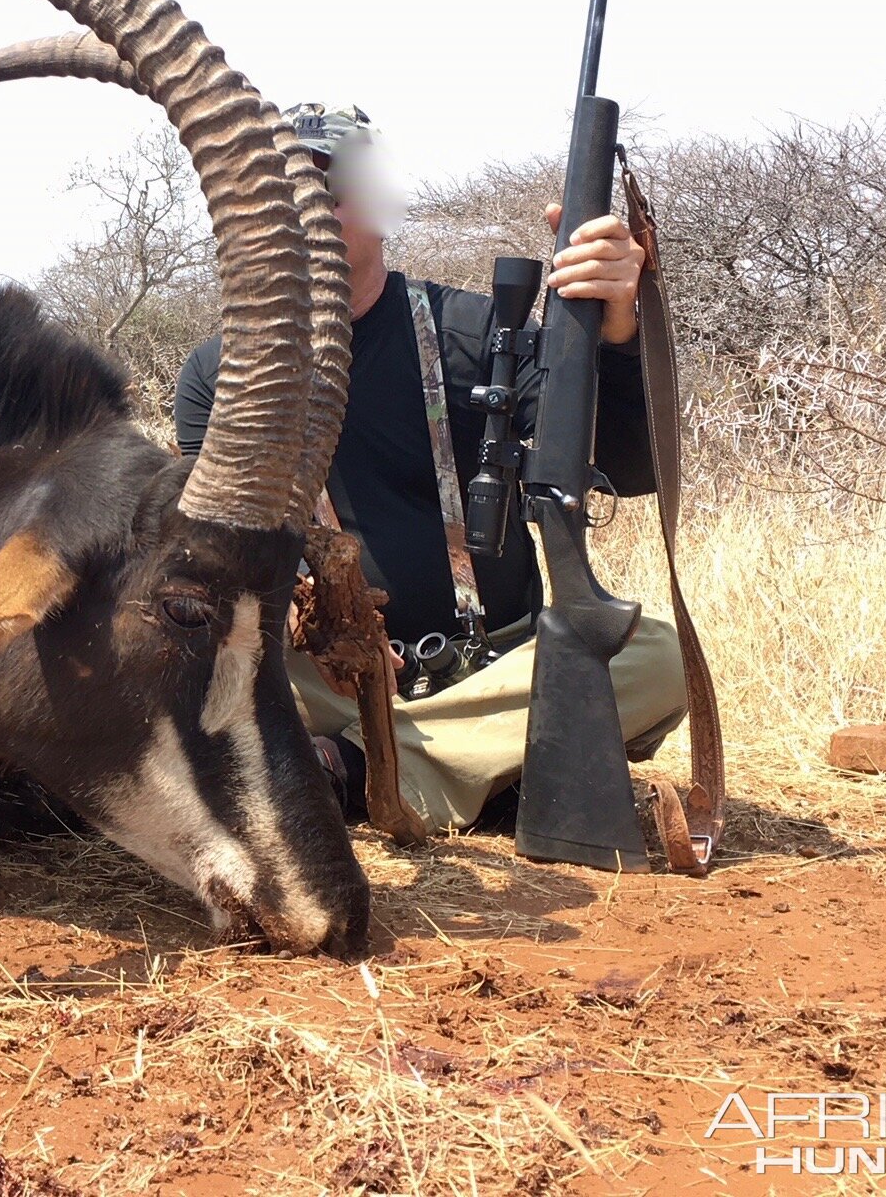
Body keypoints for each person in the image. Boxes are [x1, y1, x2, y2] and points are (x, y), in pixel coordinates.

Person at [174, 103, 687, 829]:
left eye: (330, 186)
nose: (306, 210)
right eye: (283, 192)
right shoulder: (216, 372)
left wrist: (619, 330)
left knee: (658, 659)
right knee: (196, 670)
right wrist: (318, 626)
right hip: (328, 678)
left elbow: (629, 469)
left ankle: (353, 772)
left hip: (495, 663)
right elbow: (220, 555)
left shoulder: (478, 333)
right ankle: (483, 766)